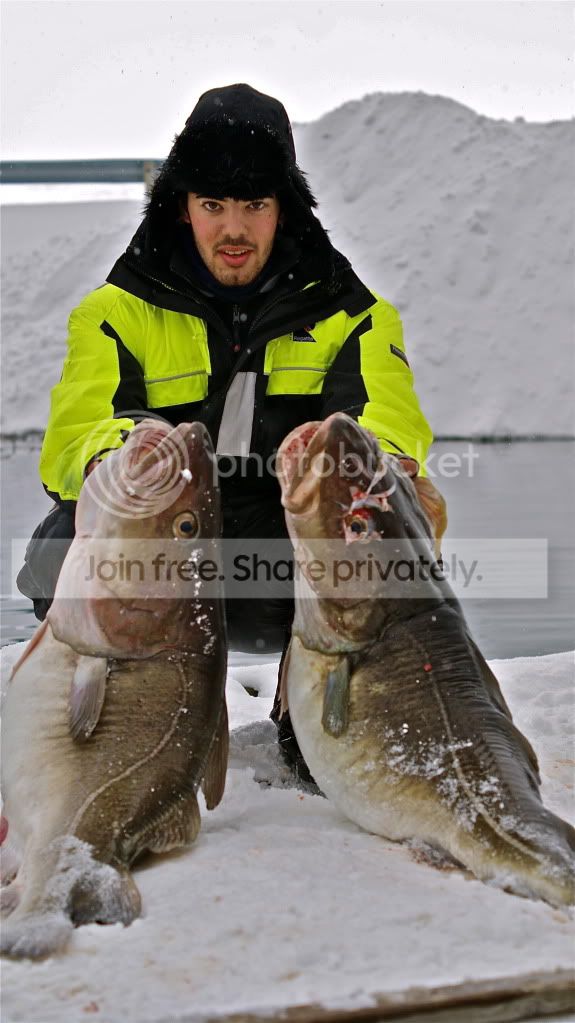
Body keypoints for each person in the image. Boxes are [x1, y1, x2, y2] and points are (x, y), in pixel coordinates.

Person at [17, 83, 444, 778]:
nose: (234, 229)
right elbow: (71, 442)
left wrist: (365, 472)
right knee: (62, 544)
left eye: (254, 205)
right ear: (182, 207)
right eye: (213, 204)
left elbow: (391, 429)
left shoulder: (359, 317)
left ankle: (315, 705)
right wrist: (126, 464)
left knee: (400, 508)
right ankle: (133, 702)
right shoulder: (112, 313)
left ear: (285, 209)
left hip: (289, 558)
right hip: (172, 551)